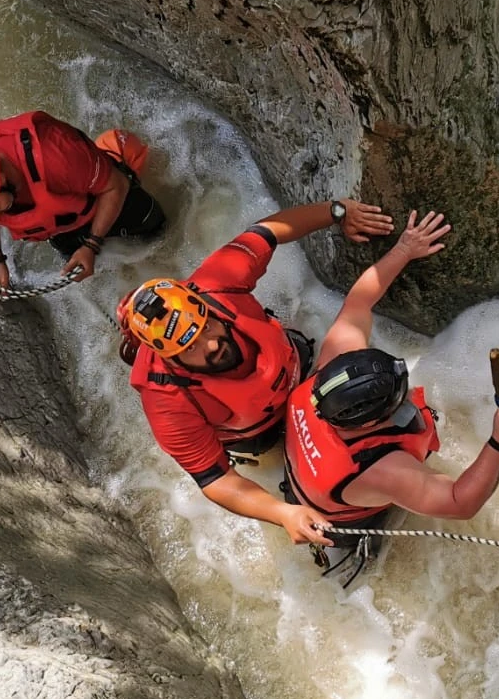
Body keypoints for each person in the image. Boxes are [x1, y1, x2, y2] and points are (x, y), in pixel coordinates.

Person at [117, 197, 394, 544]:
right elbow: (215, 479)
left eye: (206, 328)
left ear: (205, 307)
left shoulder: (217, 284)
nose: (211, 346)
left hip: (296, 364)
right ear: (170, 359)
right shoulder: (167, 400)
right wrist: (282, 513)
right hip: (261, 431)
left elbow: (268, 231)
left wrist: (339, 212)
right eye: (190, 349)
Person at [281, 210, 499, 555]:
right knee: (374, 546)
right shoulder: (383, 469)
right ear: (370, 421)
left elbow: (359, 302)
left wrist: (405, 249)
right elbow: (460, 503)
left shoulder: (329, 377)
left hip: (307, 479)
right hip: (341, 519)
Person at [0, 110, 165, 298]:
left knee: (160, 234)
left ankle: (116, 153)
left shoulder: (56, 156)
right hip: (63, 223)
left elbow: (116, 186)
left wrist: (92, 245)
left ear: (0, 178)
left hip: (106, 195)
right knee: (93, 279)